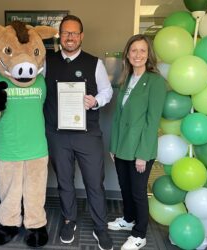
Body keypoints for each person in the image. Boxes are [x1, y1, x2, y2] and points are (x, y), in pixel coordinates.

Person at [44, 15, 114, 250]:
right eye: (65, 33)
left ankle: (100, 227)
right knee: (64, 182)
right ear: (60, 35)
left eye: (74, 33)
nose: (70, 37)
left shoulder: (95, 63)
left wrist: (95, 101)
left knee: (95, 183)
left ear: (81, 36)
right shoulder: (46, 61)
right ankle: (69, 220)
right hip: (57, 134)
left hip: (88, 135)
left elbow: (107, 91)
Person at [108, 34, 167, 250]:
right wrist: (113, 146)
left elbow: (152, 122)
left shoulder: (156, 81)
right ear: (127, 54)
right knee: (125, 187)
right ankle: (128, 219)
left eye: (142, 50)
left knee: (138, 192)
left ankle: (140, 233)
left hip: (140, 148)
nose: (138, 55)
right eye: (134, 50)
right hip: (122, 146)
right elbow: (118, 117)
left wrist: (143, 154)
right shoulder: (126, 79)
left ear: (149, 54)